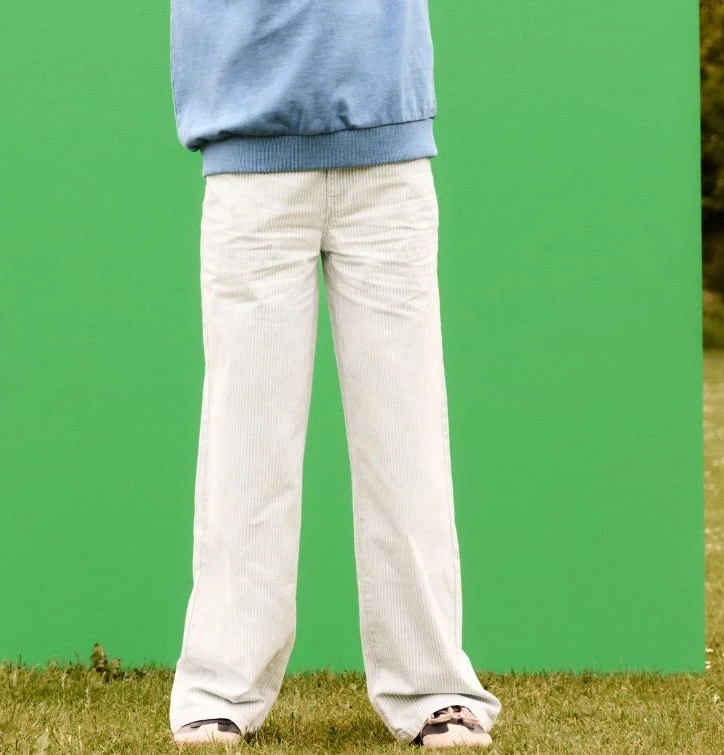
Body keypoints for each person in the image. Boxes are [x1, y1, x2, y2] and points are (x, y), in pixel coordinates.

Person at [167, 0, 502, 748]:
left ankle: (434, 689)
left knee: (406, 444)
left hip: (389, 155)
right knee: (246, 448)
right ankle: (218, 691)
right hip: (250, 155)